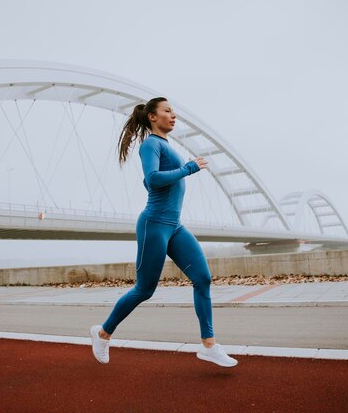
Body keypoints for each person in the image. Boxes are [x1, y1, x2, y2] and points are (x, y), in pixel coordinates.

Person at [90, 97, 238, 368]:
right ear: (152, 117)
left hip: (175, 225)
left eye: (174, 112)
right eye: (167, 111)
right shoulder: (150, 144)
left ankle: (209, 345)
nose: (173, 116)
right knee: (145, 290)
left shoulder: (165, 146)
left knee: (203, 278)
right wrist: (188, 168)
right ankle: (102, 334)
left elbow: (154, 182)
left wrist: (180, 172)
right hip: (154, 224)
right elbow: (152, 179)